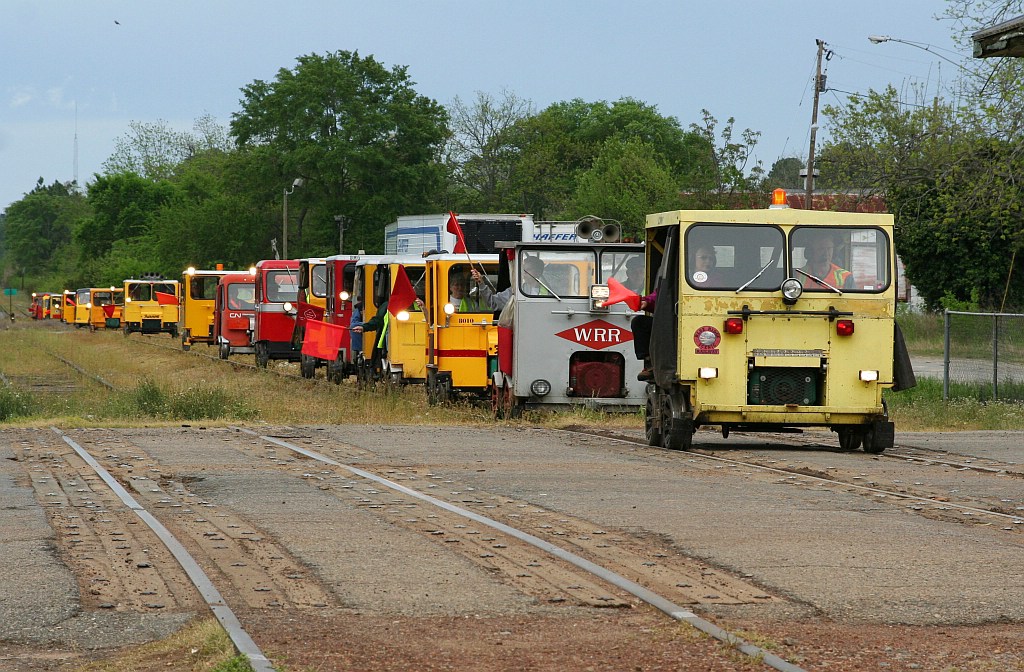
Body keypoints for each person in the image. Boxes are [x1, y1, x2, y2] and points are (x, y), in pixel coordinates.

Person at [471, 255, 548, 311]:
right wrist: (481, 282)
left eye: (529, 269)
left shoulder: (550, 291)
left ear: (538, 272)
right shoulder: (515, 291)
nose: (525, 273)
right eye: (523, 270)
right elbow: (493, 302)